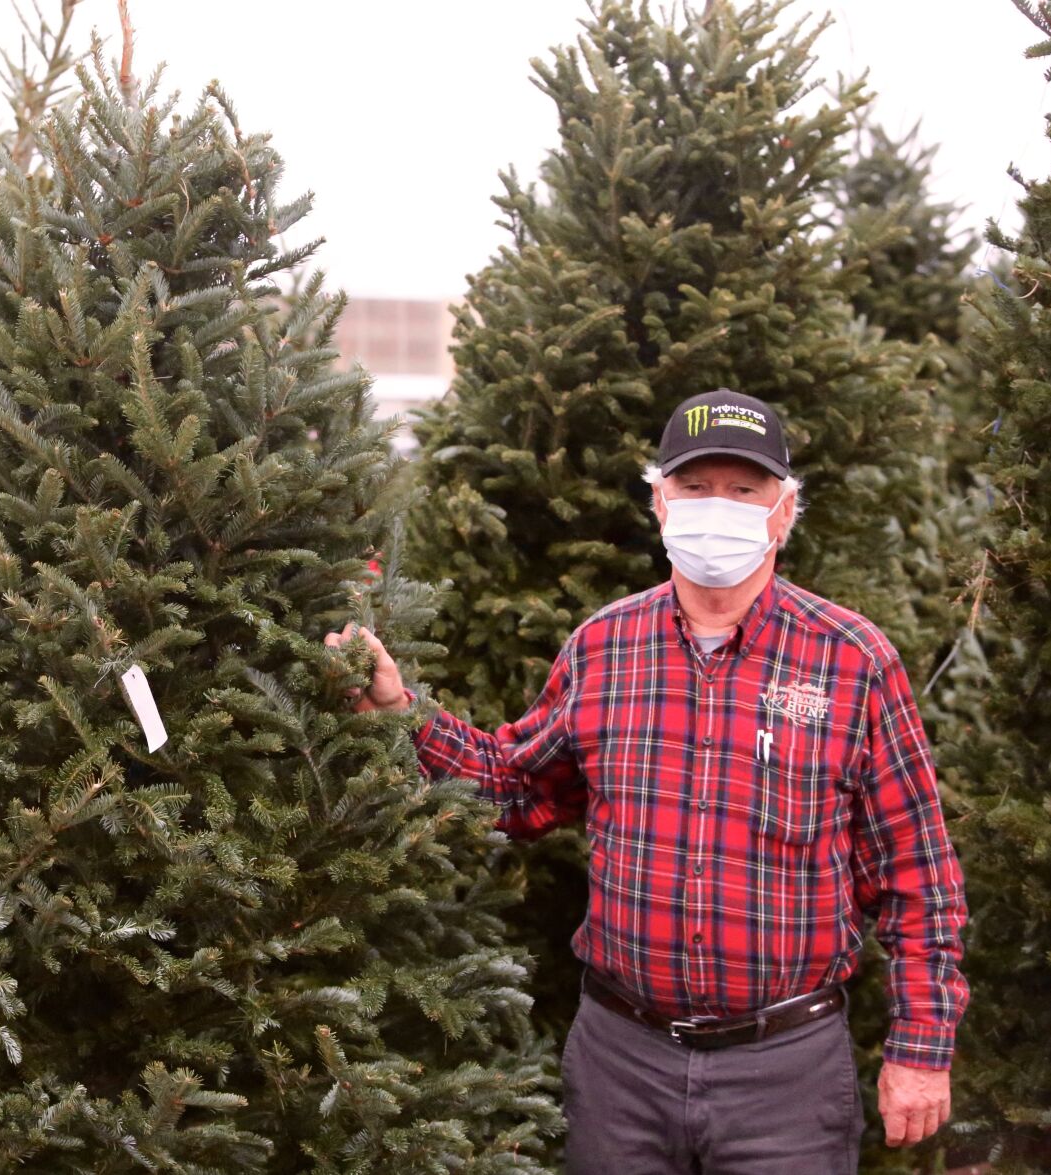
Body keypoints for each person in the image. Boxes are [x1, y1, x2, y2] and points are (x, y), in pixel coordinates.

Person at [328, 390, 967, 1173]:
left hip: (785, 1075)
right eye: (695, 487)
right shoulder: (605, 646)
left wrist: (921, 1049)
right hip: (621, 1062)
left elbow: (917, 874)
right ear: (659, 501)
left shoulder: (851, 659)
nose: (716, 509)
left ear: (783, 510)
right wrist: (402, 709)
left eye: (744, 490)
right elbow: (517, 785)